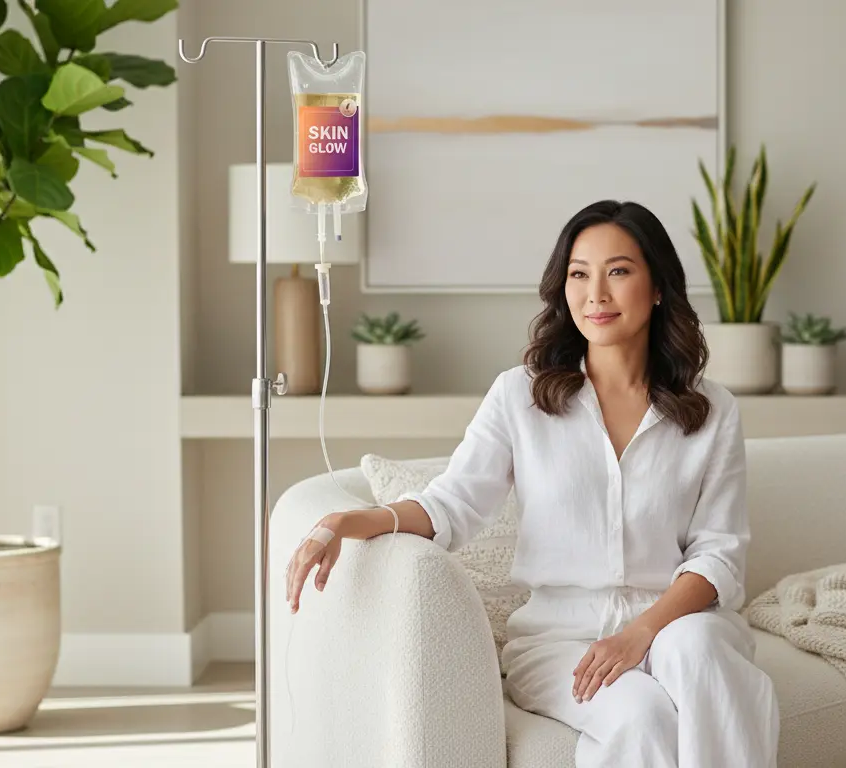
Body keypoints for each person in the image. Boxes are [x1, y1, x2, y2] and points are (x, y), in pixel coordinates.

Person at [284, 200, 781, 768]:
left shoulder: (712, 409)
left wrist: (642, 631)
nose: (596, 293)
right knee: (642, 718)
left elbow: (719, 553)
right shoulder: (520, 397)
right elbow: (453, 503)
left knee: (702, 652)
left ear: (659, 286)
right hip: (558, 641)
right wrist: (347, 521)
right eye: (578, 273)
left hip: (673, 622)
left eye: (618, 271)